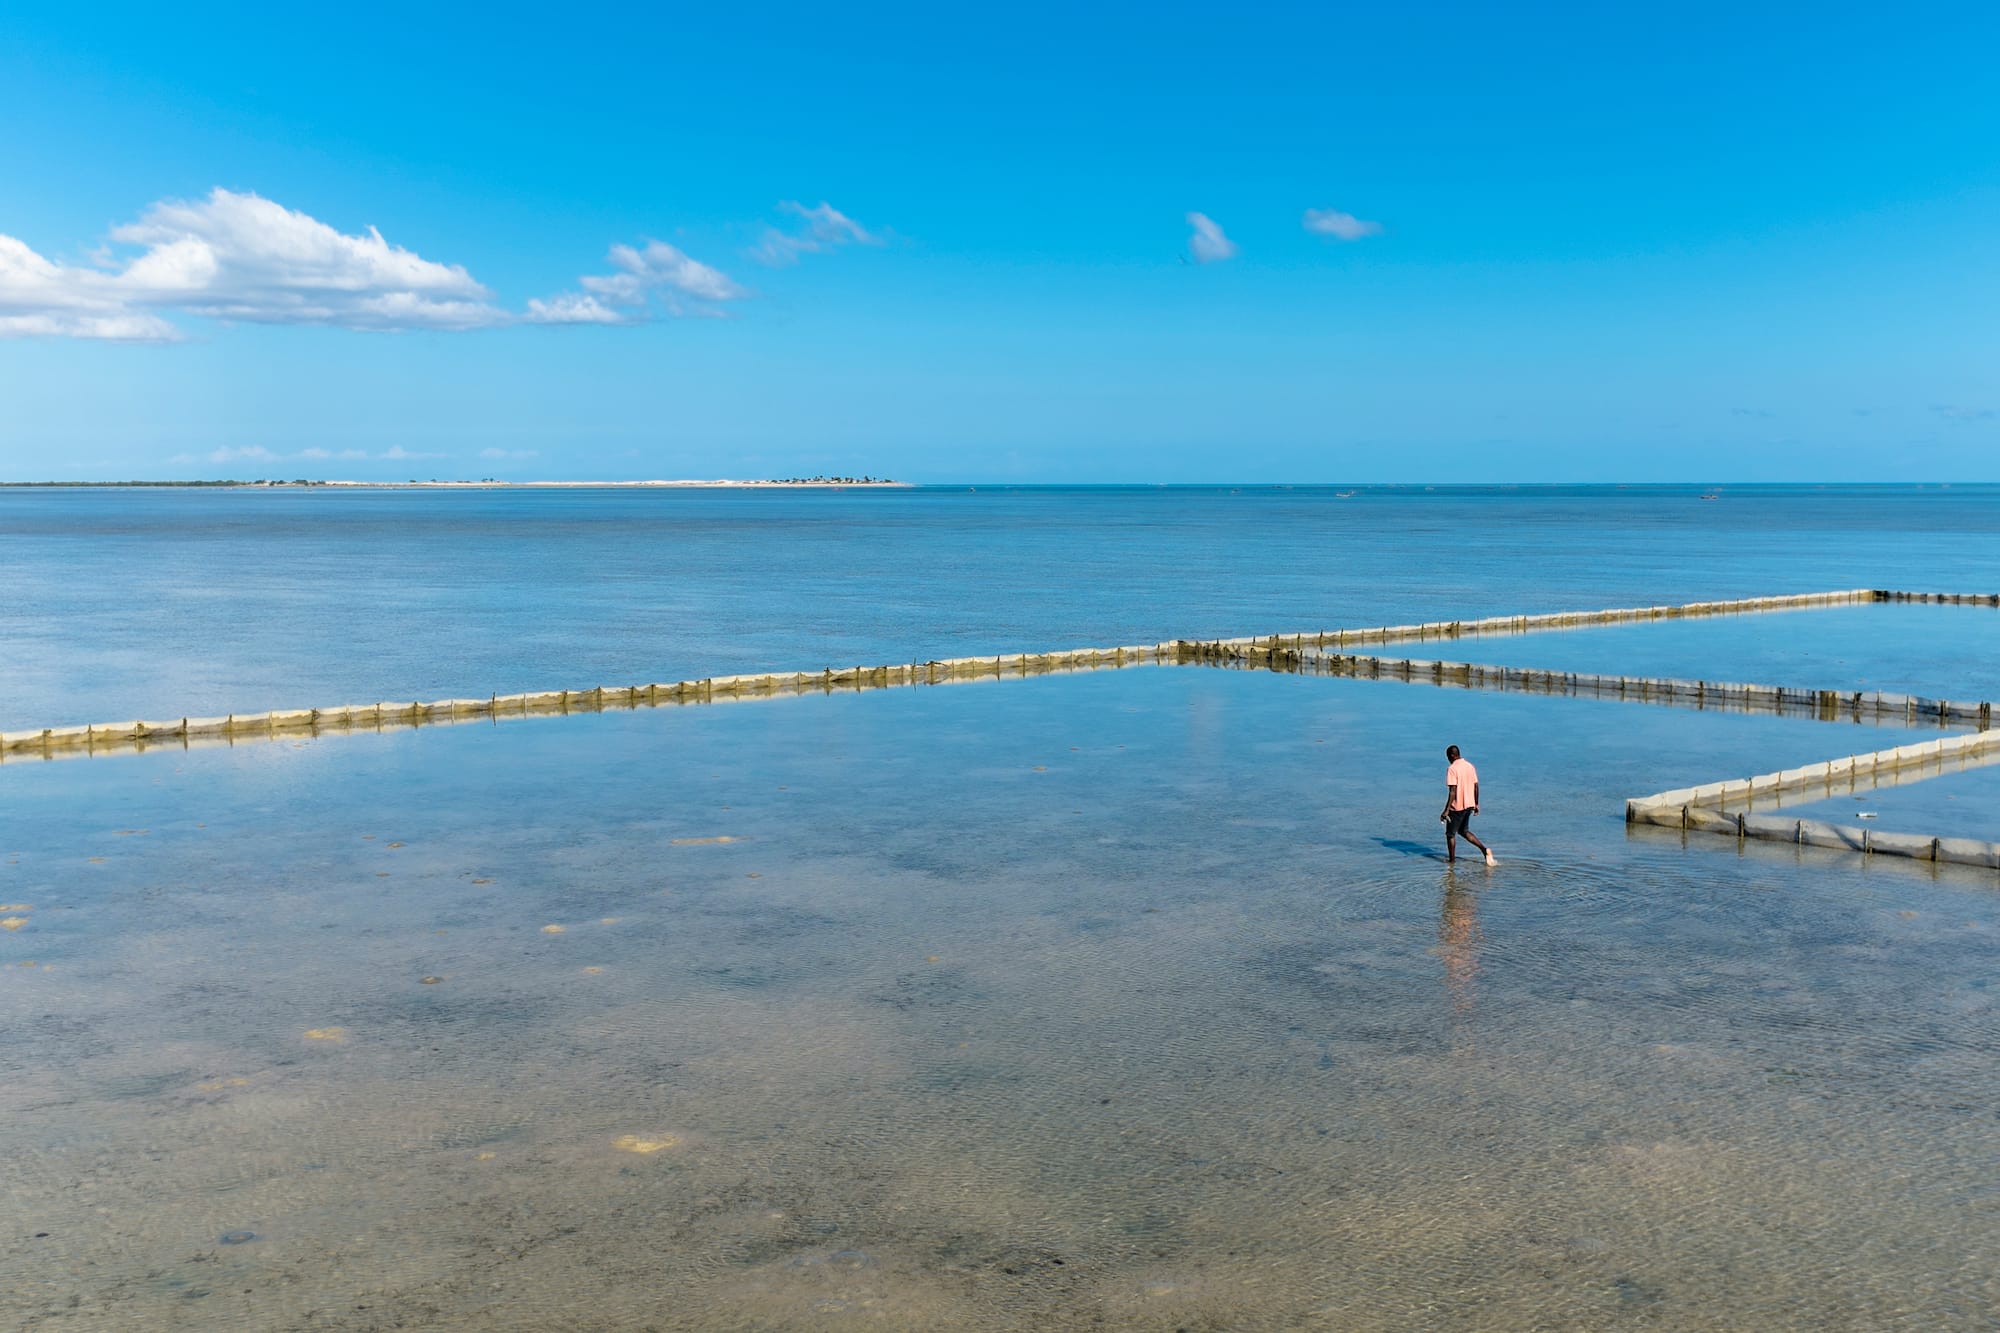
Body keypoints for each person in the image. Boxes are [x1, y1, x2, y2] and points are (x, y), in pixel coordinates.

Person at [1440, 744, 1496, 866]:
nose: (1448, 760)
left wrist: (1446, 810)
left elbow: (1452, 791)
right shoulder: (1470, 766)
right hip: (1469, 804)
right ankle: (1484, 850)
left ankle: (1452, 861)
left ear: (1452, 755)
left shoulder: (1452, 769)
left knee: (1450, 834)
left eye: (1448, 757)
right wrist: (1476, 803)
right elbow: (1476, 786)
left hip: (1457, 806)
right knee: (1464, 831)